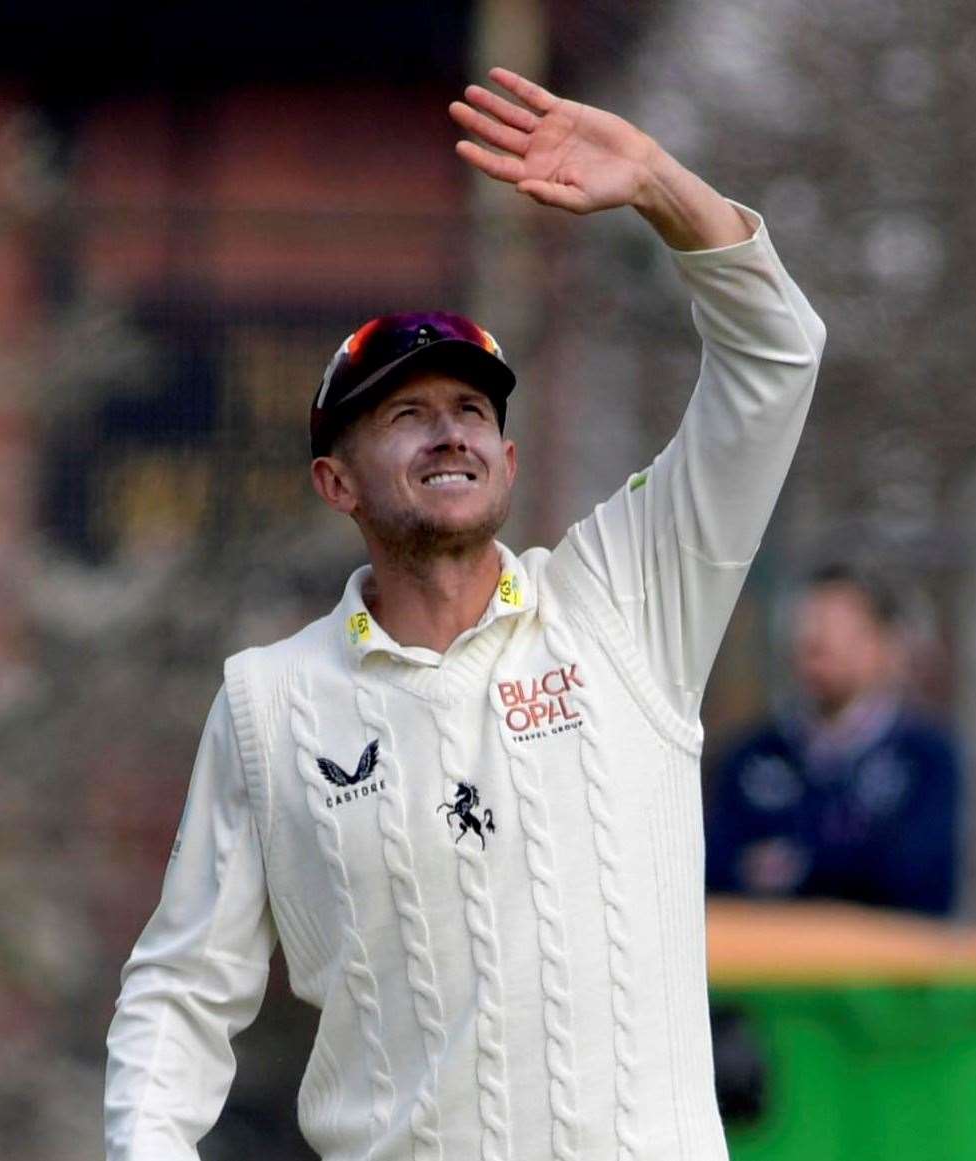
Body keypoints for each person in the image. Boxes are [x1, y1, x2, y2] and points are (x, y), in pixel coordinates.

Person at [105, 66, 826, 1161]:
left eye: (471, 411)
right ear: (335, 484)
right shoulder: (272, 703)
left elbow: (776, 360)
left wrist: (662, 189)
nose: (449, 432)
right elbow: (182, 990)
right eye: (405, 413)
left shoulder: (629, 600)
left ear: (508, 457)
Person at [704, 564, 962, 917]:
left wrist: (799, 866)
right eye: (810, 630)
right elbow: (713, 873)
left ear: (886, 646)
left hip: (880, 967)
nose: (819, 645)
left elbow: (917, 883)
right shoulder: (749, 757)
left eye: (841, 631)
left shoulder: (927, 760)